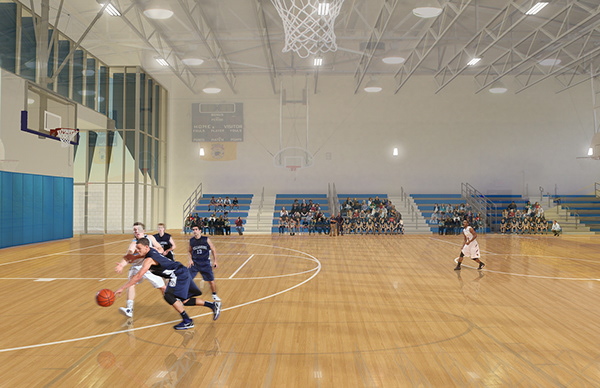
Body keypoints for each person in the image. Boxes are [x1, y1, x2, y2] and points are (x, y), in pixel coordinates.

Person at [115, 238, 220, 330]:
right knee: (185, 300)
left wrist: (122, 288)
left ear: (146, 247)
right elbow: (139, 255)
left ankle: (187, 321)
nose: (137, 251)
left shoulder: (149, 260)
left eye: (139, 248)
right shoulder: (151, 250)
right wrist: (132, 257)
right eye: (136, 249)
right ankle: (212, 305)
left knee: (168, 296)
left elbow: (137, 276)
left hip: (179, 275)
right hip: (182, 271)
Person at [115, 222, 166, 318]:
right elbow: (128, 257)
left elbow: (161, 249)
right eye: (134, 229)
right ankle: (129, 309)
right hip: (138, 267)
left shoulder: (150, 238)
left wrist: (154, 251)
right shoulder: (134, 243)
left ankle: (175, 299)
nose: (136, 231)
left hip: (150, 267)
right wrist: (121, 265)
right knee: (131, 283)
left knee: (162, 288)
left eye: (138, 229)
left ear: (144, 231)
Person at [188, 224, 222, 308]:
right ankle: (186, 293)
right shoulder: (191, 241)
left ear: (200, 231)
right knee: (187, 278)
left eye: (196, 229)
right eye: (193, 229)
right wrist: (190, 260)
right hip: (195, 263)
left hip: (205, 263)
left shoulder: (206, 239)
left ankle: (214, 294)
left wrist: (215, 261)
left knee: (211, 281)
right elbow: (189, 251)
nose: (194, 231)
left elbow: (213, 249)